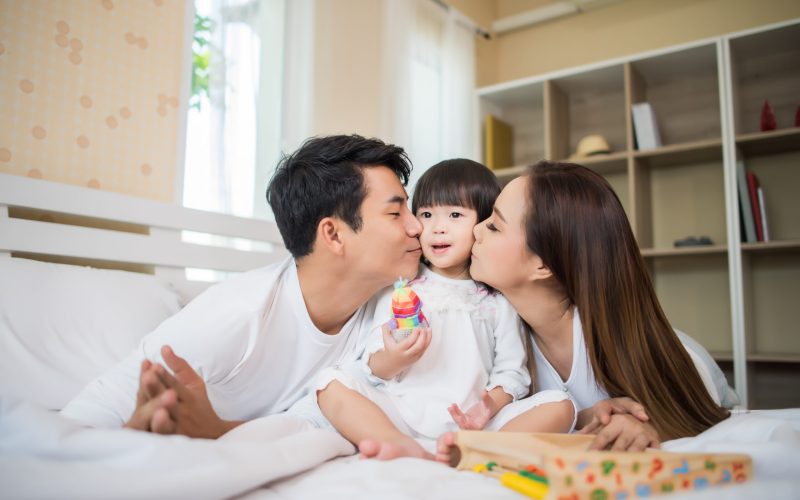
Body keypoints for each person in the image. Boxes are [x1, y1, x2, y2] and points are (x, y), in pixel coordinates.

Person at [60, 134, 425, 438]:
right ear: (332, 233)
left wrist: (220, 430)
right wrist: (133, 435)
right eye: (396, 213)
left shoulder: (388, 311)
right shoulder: (237, 314)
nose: (417, 227)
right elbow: (81, 421)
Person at [436, 160, 731, 458]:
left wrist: (653, 426)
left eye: (495, 226)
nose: (475, 230)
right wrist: (587, 416)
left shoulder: (638, 350)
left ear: (544, 264)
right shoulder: (501, 338)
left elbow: (695, 415)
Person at [314, 159, 575, 461]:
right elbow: (373, 367)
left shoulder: (497, 302)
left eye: (454, 215)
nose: (437, 228)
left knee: (561, 404)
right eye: (426, 214)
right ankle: (396, 443)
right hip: (401, 417)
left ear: (482, 225)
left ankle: (474, 452)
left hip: (473, 427)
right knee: (329, 382)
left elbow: (512, 373)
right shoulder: (401, 288)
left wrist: (488, 406)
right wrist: (393, 358)